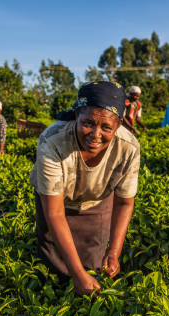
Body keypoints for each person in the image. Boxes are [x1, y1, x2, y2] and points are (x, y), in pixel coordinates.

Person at [30, 81, 140, 296]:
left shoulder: (128, 148)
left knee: (94, 263)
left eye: (106, 127)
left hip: (97, 202)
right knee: (54, 266)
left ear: (118, 125)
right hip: (55, 203)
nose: (96, 134)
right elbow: (54, 213)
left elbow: (125, 202)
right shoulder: (53, 141)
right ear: (77, 114)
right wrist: (78, 274)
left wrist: (114, 252)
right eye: (88, 123)